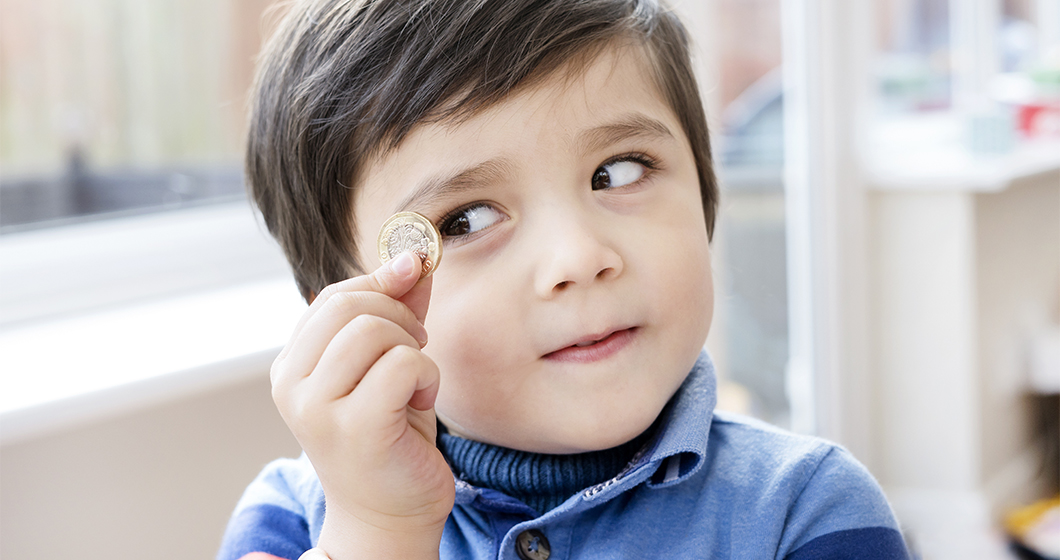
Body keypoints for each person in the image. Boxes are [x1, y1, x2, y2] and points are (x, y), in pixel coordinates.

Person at [218, 0, 910, 558]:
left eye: (619, 170)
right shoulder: (291, 525)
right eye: (465, 220)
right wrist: (377, 535)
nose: (579, 257)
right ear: (345, 315)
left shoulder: (810, 513)